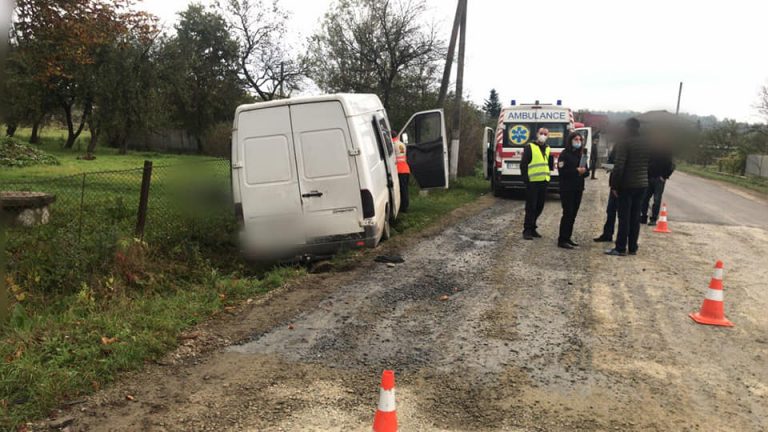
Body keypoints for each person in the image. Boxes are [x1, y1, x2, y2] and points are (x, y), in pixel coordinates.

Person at [606, 118, 649, 256]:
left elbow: (619, 167)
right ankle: (632, 247)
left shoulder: (625, 142)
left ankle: (620, 247)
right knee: (635, 217)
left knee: (624, 218)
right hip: (642, 185)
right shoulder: (645, 142)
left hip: (626, 185)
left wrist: (614, 186)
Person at [557, 131, 590, 249]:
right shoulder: (564, 154)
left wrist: (584, 172)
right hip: (567, 188)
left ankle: (568, 237)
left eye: (580, 140)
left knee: (573, 214)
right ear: (570, 140)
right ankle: (562, 239)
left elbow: (587, 172)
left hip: (578, 188)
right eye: (576, 139)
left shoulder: (582, 155)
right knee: (568, 213)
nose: (578, 142)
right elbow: (562, 171)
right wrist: (575, 171)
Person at [521, 127, 555, 240]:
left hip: (544, 181)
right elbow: (524, 164)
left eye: (545, 134)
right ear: (537, 134)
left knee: (539, 206)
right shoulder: (530, 147)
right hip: (533, 182)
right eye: (541, 133)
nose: (543, 135)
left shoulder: (548, 148)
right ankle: (527, 230)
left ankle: (533, 227)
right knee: (531, 207)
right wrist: (526, 179)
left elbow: (549, 165)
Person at [640, 149, 675, 225]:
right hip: (649, 177)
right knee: (644, 198)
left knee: (657, 199)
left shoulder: (667, 150)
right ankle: (643, 216)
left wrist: (664, 176)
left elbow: (672, 166)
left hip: (659, 180)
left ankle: (653, 219)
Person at [593, 147, 618, 243]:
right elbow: (611, 162)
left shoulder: (622, 147)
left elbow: (619, 167)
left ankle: (622, 239)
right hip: (616, 184)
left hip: (621, 185)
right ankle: (608, 234)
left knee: (623, 214)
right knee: (611, 211)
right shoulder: (617, 147)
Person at [392, 131, 410, 213]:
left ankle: (403, 208)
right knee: (405, 189)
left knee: (401, 190)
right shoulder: (401, 144)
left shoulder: (393, 145)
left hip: (399, 170)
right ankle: (405, 206)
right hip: (406, 169)